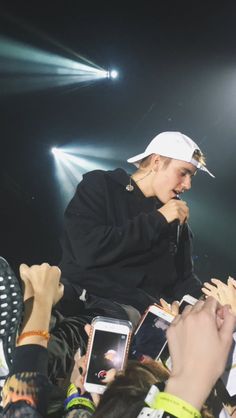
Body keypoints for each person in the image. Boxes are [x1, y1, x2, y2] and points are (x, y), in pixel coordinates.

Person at [59, 131, 214, 322]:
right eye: (183, 173)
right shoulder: (102, 185)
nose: (188, 184)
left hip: (136, 317)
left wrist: (212, 301)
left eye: (192, 176)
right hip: (81, 300)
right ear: (157, 162)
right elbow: (87, 249)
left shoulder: (175, 221)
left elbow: (183, 281)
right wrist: (158, 219)